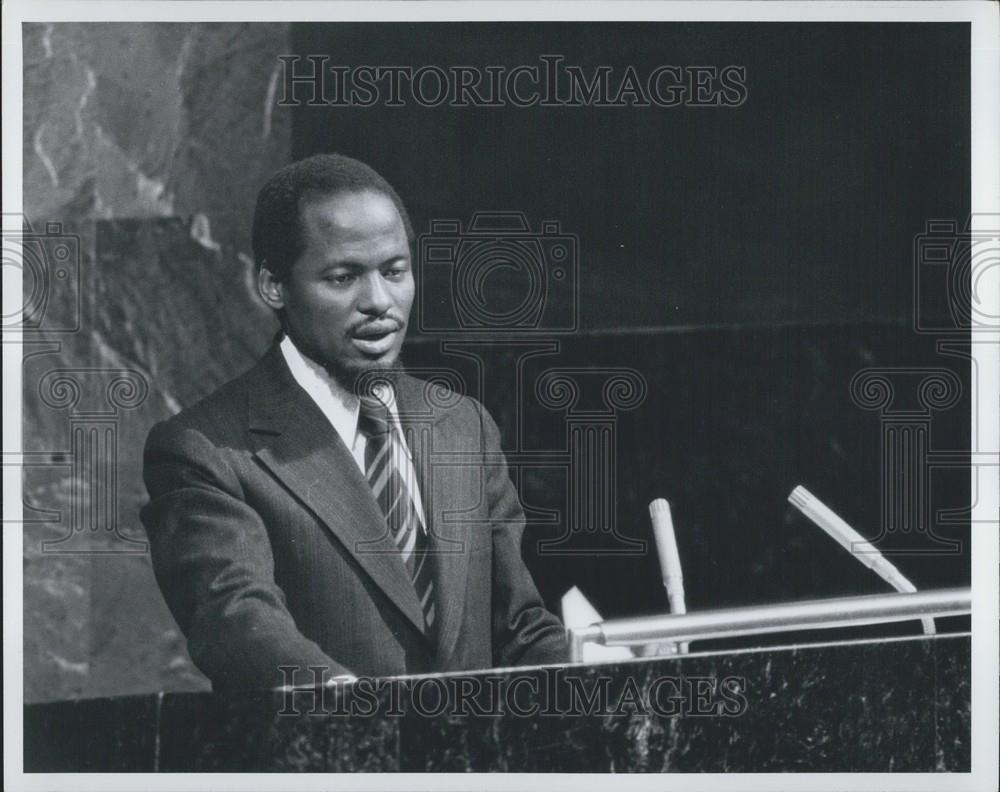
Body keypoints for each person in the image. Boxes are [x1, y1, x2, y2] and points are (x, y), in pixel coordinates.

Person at [140, 153, 568, 691]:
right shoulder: (206, 450)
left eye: (395, 271)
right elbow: (237, 623)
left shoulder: (464, 426)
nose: (379, 301)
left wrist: (609, 685)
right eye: (343, 277)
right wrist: (363, 725)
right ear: (274, 286)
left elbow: (520, 627)